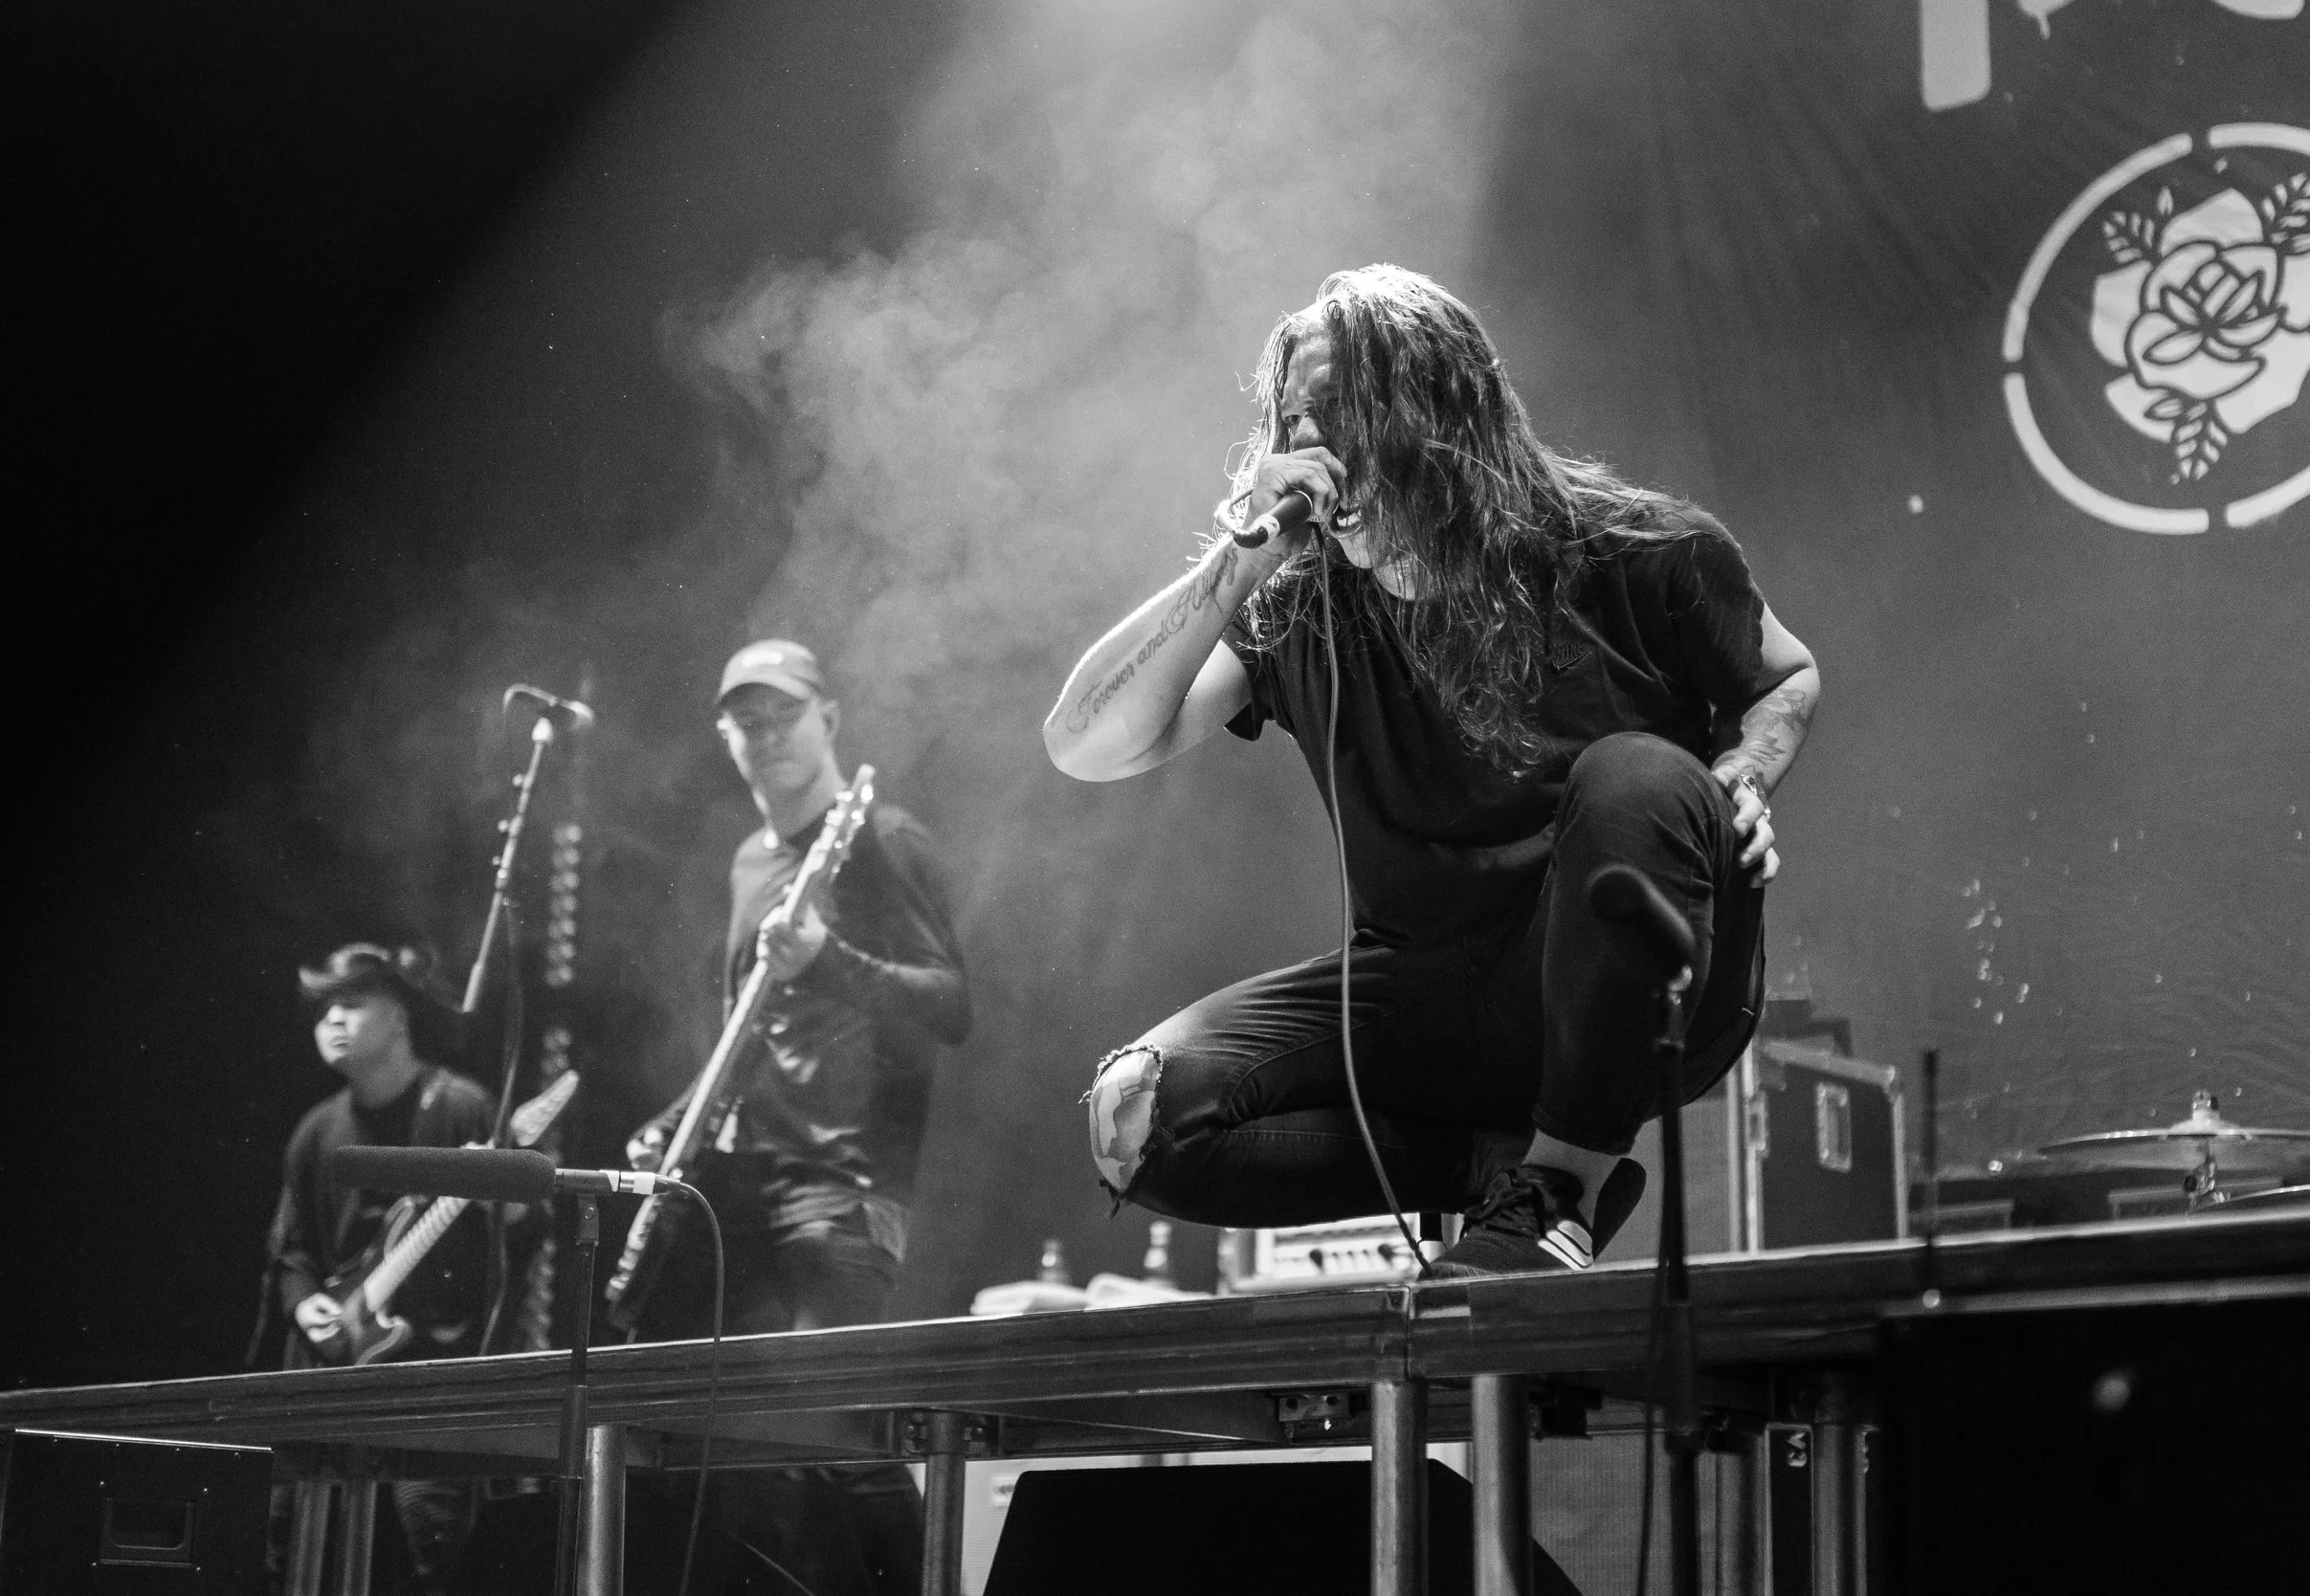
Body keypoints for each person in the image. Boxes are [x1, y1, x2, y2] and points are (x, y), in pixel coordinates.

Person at [1045, 265, 1819, 1277]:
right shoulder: (1298, 606)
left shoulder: (1637, 549)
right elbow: (1086, 744)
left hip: (1631, 968)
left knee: (1636, 775)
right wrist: (1237, 560)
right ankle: (1502, 1168)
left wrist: (1744, 777)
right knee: (1137, 1115)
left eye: (1344, 416)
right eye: (1294, 423)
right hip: (1427, 990)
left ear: (1442, 409)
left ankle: (1562, 1191)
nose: (1315, 452)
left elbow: (1785, 676)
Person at [625, 638, 969, 1593]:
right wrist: (675, 1118)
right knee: (731, 1447)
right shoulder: (749, 860)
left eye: (783, 712)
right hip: (746, 1184)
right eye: (745, 717)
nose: (764, 732)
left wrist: (829, 957)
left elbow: (950, 1006)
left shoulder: (883, 839)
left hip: (845, 1188)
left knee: (835, 1425)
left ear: (830, 720)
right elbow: (755, 1038)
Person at [255, 942, 499, 1592]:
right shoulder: (317, 1130)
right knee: (281, 1531)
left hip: (427, 1377)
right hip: (331, 1362)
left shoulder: (458, 1108)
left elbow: (512, 1246)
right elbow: (291, 1248)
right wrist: (304, 1302)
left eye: (352, 1004)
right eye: (324, 1010)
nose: (331, 1021)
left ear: (398, 1019)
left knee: (430, 1534)